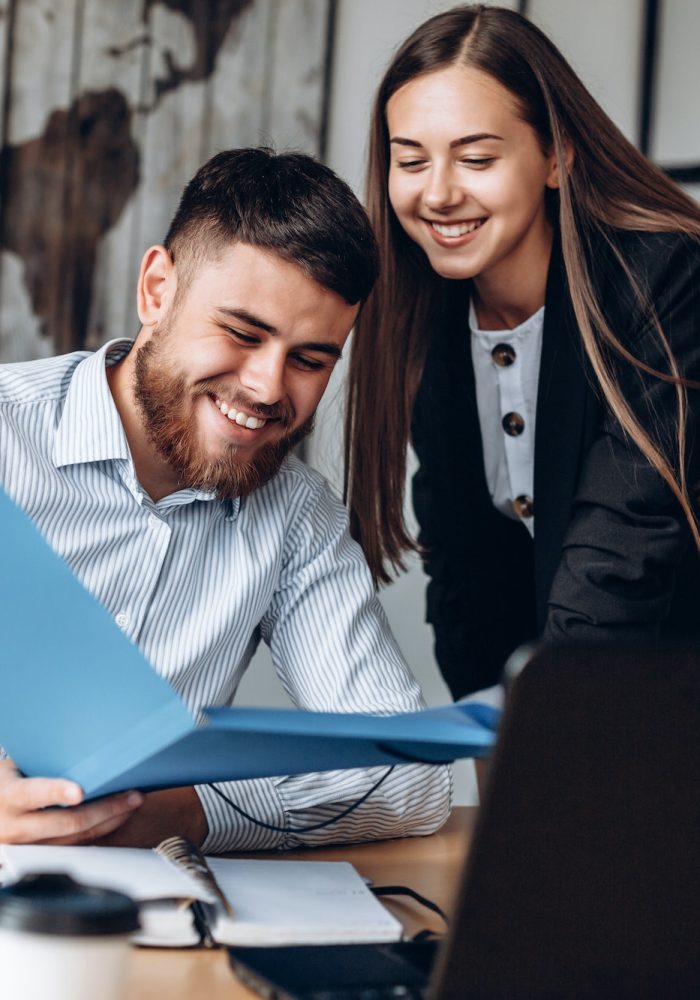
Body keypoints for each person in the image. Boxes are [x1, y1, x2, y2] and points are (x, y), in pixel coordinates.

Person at [0, 147, 451, 850]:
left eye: (309, 359)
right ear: (156, 290)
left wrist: (195, 812)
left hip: (142, 927)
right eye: (243, 334)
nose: (270, 388)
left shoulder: (296, 516)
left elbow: (408, 774)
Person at [344, 4, 700, 700]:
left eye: (476, 158)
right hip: (564, 723)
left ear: (557, 159)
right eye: (410, 160)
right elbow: (462, 571)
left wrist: (543, 738)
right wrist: (497, 751)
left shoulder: (666, 279)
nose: (439, 193)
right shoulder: (424, 311)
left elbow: (624, 555)